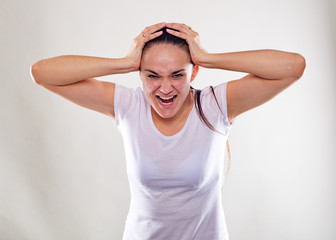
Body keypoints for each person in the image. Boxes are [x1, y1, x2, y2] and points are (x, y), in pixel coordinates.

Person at [30, 22, 306, 240]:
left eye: (177, 75)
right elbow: (42, 72)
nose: (164, 89)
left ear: (194, 73)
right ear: (140, 74)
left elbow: (293, 67)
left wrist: (208, 57)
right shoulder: (129, 106)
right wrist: (125, 62)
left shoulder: (214, 106)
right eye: (152, 75)